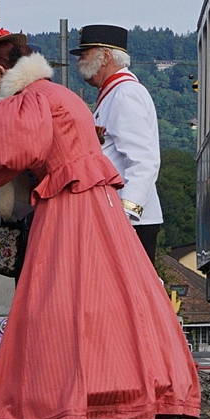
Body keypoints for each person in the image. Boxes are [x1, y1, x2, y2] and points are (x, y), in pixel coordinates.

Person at [0, 21, 200, 419]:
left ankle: (73, 401)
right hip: (98, 204)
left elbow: (10, 161)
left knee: (60, 304)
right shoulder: (57, 94)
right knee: (117, 301)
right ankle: (143, 393)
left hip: (70, 206)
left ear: (3, 74)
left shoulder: (33, 101)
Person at [71, 24, 164, 261]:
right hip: (117, 215)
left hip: (129, 221)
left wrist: (126, 214)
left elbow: (144, 161)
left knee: (131, 295)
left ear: (106, 56)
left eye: (85, 53)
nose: (79, 60)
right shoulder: (114, 93)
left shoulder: (125, 94)